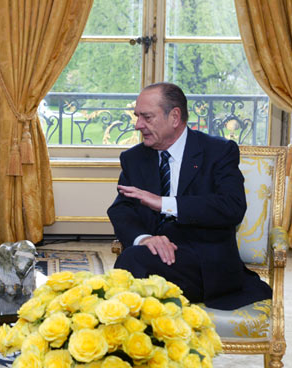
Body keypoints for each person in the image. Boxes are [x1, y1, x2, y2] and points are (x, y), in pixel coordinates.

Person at [107, 82, 272, 310]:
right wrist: (144, 239)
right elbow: (121, 209)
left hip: (204, 263)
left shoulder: (218, 152)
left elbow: (232, 207)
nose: (138, 125)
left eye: (147, 117)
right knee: (134, 265)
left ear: (174, 117)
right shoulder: (134, 158)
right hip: (153, 256)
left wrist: (165, 203)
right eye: (137, 116)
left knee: (130, 268)